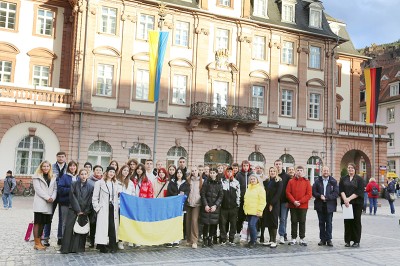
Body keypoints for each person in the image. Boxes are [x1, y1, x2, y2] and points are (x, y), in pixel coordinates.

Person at [60, 168, 94, 254]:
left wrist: (85, 211)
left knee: (80, 229)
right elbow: (72, 196)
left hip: (84, 211)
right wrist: (78, 209)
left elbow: (90, 199)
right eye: (81, 174)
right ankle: (66, 248)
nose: (83, 176)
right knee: (69, 228)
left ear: (87, 175)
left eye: (85, 174)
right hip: (73, 209)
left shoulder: (91, 186)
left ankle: (78, 248)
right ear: (79, 175)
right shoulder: (74, 184)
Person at [92, 166, 119, 253]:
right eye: (110, 172)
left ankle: (113, 245)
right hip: (103, 208)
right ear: (106, 172)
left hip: (112, 208)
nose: (111, 174)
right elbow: (95, 197)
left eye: (113, 172)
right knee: (103, 227)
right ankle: (102, 246)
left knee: (112, 226)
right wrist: (97, 208)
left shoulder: (115, 183)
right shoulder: (99, 183)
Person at [32, 161, 57, 250]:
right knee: (37, 223)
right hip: (40, 202)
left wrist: (53, 198)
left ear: (50, 167)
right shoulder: (36, 176)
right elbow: (38, 189)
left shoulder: (53, 177)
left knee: (43, 223)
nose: (46, 168)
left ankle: (40, 242)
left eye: (47, 166)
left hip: (49, 203)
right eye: (44, 166)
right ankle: (36, 243)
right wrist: (47, 197)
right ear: (41, 167)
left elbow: (55, 189)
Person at [43, 151, 67, 247]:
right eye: (59, 156)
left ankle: (60, 237)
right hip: (52, 194)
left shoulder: (69, 167)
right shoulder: (51, 167)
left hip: (64, 195)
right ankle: (46, 237)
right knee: (49, 216)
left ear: (65, 157)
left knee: (62, 217)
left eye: (62, 156)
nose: (61, 158)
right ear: (56, 157)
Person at [312, 166, 339, 247]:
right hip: (320, 204)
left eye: (327, 170)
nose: (326, 172)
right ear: (321, 171)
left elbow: (336, 193)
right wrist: (320, 196)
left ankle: (329, 239)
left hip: (330, 205)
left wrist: (327, 197)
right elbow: (313, 192)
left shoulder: (333, 181)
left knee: (329, 222)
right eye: (324, 171)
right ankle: (322, 239)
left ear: (329, 171)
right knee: (321, 223)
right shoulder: (317, 181)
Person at [339, 163, 364, 248]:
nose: (350, 169)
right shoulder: (343, 179)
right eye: (349, 168)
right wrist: (345, 199)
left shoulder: (359, 179)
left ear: (355, 169)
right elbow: (341, 190)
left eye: (352, 168)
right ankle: (347, 241)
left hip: (357, 204)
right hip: (346, 204)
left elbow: (359, 191)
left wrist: (349, 199)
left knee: (356, 222)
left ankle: (356, 241)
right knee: (347, 222)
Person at [286, 166, 312, 246]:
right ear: (295, 172)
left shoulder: (307, 182)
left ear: (303, 172)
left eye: (301, 170)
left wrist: (300, 202)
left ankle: (302, 238)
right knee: (293, 221)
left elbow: (309, 194)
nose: (299, 172)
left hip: (303, 206)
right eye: (298, 170)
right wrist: (294, 201)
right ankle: (293, 238)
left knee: (302, 221)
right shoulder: (291, 181)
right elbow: (288, 192)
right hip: (293, 205)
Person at [166, 167, 190, 247]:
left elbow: (187, 193)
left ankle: (176, 240)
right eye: (178, 172)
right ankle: (170, 239)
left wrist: (182, 195)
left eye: (180, 173)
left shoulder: (186, 183)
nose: (179, 174)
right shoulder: (172, 183)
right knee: (171, 222)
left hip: (181, 207)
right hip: (172, 206)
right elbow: (169, 193)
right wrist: (177, 195)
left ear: (183, 174)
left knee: (179, 222)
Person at [200, 167, 223, 248]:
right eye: (211, 173)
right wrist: (205, 205)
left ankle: (210, 239)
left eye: (214, 173)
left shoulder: (219, 183)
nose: (212, 174)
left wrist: (215, 205)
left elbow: (220, 196)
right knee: (206, 223)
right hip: (206, 205)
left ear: (216, 174)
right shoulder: (206, 182)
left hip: (214, 207)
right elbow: (203, 194)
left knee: (213, 224)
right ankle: (205, 239)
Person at [57, 160, 79, 244]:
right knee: (64, 222)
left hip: (76, 203)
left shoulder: (78, 177)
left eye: (74, 166)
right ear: (68, 167)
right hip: (65, 202)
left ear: (76, 167)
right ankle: (63, 239)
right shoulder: (64, 176)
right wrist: (71, 190)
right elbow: (60, 189)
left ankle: (72, 240)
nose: (72, 167)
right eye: (71, 166)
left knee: (73, 222)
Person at [262, 166, 283, 248]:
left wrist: (271, 204)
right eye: (271, 171)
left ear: (276, 172)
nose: (272, 172)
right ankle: (270, 240)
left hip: (274, 204)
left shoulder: (279, 181)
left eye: (274, 171)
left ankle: (274, 240)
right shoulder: (268, 181)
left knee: (274, 221)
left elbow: (278, 194)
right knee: (268, 221)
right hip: (267, 204)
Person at [243, 174, 266, 248]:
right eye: (251, 179)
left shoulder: (260, 189)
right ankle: (251, 241)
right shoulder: (248, 188)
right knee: (250, 226)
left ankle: (254, 241)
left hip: (256, 211)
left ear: (257, 180)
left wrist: (260, 210)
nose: (252, 180)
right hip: (248, 210)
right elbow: (246, 199)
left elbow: (263, 201)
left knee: (252, 225)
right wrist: (244, 208)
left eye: (254, 179)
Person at [220, 166, 240, 245]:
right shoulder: (222, 181)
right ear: (226, 172)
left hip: (233, 207)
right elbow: (220, 193)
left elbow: (238, 194)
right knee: (222, 224)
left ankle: (231, 239)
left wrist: (237, 205)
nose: (229, 173)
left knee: (233, 224)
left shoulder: (236, 182)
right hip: (223, 207)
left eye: (230, 172)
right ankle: (223, 239)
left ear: (233, 173)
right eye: (228, 171)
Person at [116, 164, 134, 249]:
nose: (126, 172)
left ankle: (124, 240)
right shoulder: (116, 181)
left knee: (125, 224)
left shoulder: (130, 183)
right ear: (121, 170)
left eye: (127, 171)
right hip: (118, 206)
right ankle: (118, 241)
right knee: (118, 224)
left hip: (127, 206)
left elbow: (133, 194)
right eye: (124, 170)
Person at [186, 166, 202, 249]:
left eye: (195, 170)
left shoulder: (201, 181)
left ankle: (194, 241)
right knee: (188, 221)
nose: (194, 172)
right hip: (189, 203)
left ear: (198, 171)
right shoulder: (188, 180)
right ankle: (189, 240)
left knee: (194, 221)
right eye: (192, 171)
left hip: (197, 204)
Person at [275, 159, 291, 244]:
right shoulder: (274, 175)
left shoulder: (287, 176)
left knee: (283, 219)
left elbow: (289, 190)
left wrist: (289, 201)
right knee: (277, 219)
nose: (278, 166)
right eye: (276, 164)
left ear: (282, 165)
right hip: (276, 201)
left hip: (284, 201)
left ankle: (281, 235)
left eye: (279, 164)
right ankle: (284, 233)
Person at [236, 160, 253, 234]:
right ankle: (238, 232)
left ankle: (247, 233)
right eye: (244, 166)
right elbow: (236, 186)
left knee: (248, 217)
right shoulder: (239, 175)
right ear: (242, 166)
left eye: (247, 166)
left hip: (250, 200)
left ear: (249, 166)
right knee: (240, 216)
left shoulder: (252, 174)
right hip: (241, 198)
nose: (245, 167)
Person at [88, 165, 103, 248]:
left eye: (100, 170)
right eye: (97, 170)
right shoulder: (89, 181)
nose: (98, 171)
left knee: (100, 224)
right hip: (92, 205)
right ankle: (92, 241)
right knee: (92, 223)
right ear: (93, 171)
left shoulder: (104, 180)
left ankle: (99, 242)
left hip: (102, 205)